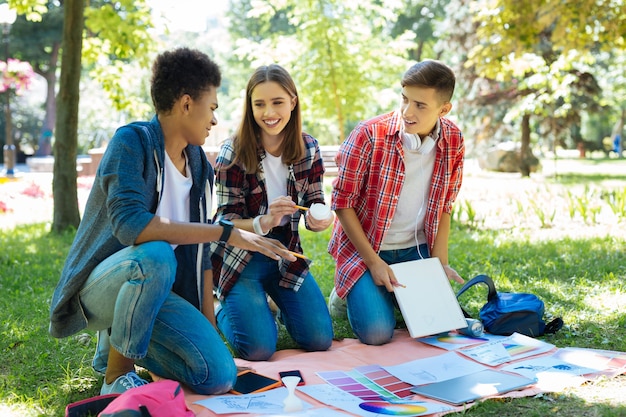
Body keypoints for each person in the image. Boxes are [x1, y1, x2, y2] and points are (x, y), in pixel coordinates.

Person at [49, 48, 295, 395]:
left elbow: (200, 251)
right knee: (156, 254)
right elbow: (131, 226)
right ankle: (116, 377)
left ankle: (116, 344)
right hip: (106, 285)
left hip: (154, 288)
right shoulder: (131, 143)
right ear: (185, 104)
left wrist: (210, 332)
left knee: (218, 376)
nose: (213, 120)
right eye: (211, 108)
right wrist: (225, 232)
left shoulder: (198, 165)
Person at [328, 59, 465, 346]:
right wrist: (374, 263)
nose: (407, 111)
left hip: (415, 251)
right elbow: (342, 203)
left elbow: (444, 206)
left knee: (439, 326)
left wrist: (439, 264)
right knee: (377, 333)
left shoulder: (453, 140)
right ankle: (345, 295)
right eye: (404, 99)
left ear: (444, 109)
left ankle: (391, 294)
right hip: (367, 250)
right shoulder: (368, 135)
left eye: (419, 105)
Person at [210, 64, 334, 361]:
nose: (269, 112)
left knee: (319, 339)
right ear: (249, 107)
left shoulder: (309, 148)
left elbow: (316, 203)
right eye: (260, 104)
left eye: (277, 102)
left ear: (293, 101)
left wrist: (320, 220)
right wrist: (265, 220)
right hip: (242, 257)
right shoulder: (234, 151)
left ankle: (272, 306)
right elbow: (222, 222)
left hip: (284, 255)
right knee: (258, 349)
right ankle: (220, 309)